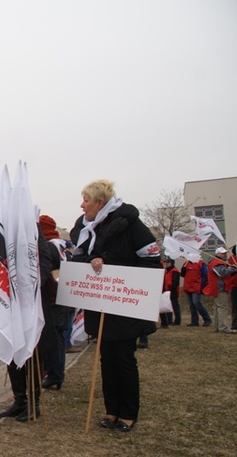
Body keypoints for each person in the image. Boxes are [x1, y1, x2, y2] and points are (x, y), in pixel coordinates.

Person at [69, 180, 160, 433]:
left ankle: (129, 414)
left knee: (123, 359)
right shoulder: (83, 228)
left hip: (125, 306)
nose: (81, 205)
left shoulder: (131, 224)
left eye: (85, 200)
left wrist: (116, 273)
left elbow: (152, 260)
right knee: (106, 358)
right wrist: (91, 260)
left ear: (100, 203)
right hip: (99, 305)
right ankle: (111, 410)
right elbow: (79, 258)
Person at [0, 191, 55, 422]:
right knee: (10, 350)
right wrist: (6, 276)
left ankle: (33, 402)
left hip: (28, 302)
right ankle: (19, 399)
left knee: (30, 350)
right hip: (3, 301)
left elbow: (45, 260)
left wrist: (31, 283)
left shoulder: (31, 229)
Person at [38, 214, 71, 391]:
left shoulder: (49, 247)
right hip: (63, 296)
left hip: (53, 297)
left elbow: (48, 270)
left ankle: (55, 374)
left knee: (54, 338)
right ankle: (56, 374)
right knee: (59, 337)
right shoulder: (61, 246)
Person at [203, 247, 237, 334]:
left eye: (225, 253)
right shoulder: (216, 263)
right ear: (217, 254)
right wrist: (232, 268)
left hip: (218, 288)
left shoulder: (217, 262)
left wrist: (232, 270)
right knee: (222, 307)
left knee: (218, 308)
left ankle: (217, 327)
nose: (225, 254)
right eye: (223, 253)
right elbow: (221, 273)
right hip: (219, 288)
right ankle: (223, 327)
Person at [180, 259, 211, 326]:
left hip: (196, 286)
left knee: (196, 303)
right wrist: (184, 267)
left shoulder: (201, 263)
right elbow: (182, 274)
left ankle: (207, 319)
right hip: (188, 286)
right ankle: (194, 321)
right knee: (191, 304)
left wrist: (204, 285)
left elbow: (205, 274)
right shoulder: (186, 263)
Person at [162, 257, 181, 326]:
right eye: (166, 262)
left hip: (173, 291)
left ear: (171, 263)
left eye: (168, 262)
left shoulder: (175, 271)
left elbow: (176, 282)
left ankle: (177, 321)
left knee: (175, 306)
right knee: (168, 306)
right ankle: (169, 321)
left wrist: (170, 289)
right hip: (166, 291)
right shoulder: (166, 271)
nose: (166, 264)